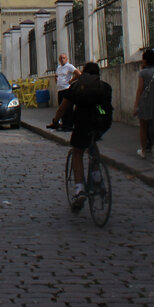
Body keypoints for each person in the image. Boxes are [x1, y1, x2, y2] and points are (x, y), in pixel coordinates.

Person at [49, 62, 112, 210]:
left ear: (83, 73)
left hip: (83, 123)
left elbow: (63, 108)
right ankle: (97, 177)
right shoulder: (105, 87)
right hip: (102, 123)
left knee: (77, 151)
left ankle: (79, 189)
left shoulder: (76, 87)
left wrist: (55, 121)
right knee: (92, 143)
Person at [134, 49, 154, 162]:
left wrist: (136, 106)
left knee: (143, 128)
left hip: (145, 103)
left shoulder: (142, 73)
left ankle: (143, 151)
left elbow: (140, 90)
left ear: (146, 60)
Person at [51, 53, 81, 130]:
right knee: (61, 107)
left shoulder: (69, 66)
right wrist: (57, 81)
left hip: (67, 89)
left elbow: (78, 74)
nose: (62, 59)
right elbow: (56, 75)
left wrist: (71, 80)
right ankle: (64, 124)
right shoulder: (59, 67)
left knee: (67, 108)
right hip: (60, 90)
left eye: (64, 58)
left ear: (67, 59)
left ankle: (69, 125)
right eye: (61, 58)